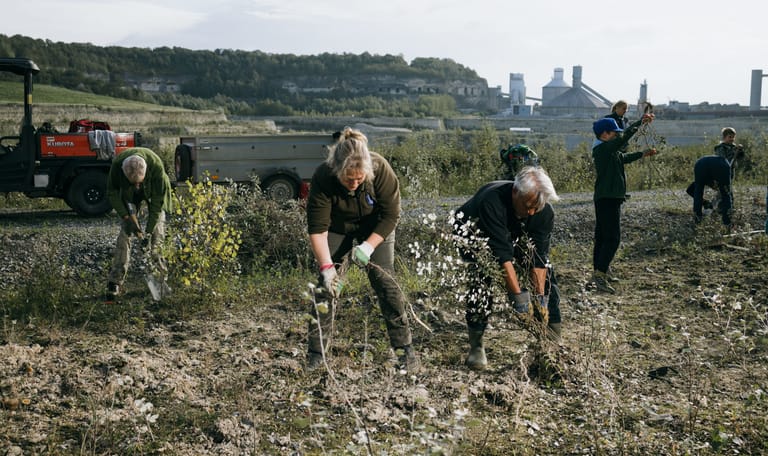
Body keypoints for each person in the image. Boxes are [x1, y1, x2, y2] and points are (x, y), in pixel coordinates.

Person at [305, 127, 418, 371]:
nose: (354, 184)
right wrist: (327, 268)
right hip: (337, 228)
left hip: (375, 226)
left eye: (359, 179)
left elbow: (391, 215)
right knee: (326, 288)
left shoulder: (380, 169)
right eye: (349, 179)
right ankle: (316, 354)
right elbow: (318, 229)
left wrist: (368, 246)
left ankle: (404, 351)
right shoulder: (324, 176)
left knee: (385, 281)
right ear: (338, 170)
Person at [453, 166, 561, 371]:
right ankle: (476, 345)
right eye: (528, 205)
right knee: (481, 278)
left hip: (514, 231)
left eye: (536, 208)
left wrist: (540, 302)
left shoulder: (543, 211)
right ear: (515, 192)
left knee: (548, 278)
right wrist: (519, 300)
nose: (531, 212)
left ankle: (552, 343)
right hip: (473, 230)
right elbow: (503, 257)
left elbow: (538, 259)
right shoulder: (492, 202)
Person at [591, 115, 656, 294]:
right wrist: (640, 123)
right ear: (604, 134)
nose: (617, 136)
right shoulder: (602, 150)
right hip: (607, 199)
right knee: (612, 239)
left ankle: (599, 269)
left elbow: (624, 158)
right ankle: (600, 275)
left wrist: (643, 153)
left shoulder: (609, 151)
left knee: (603, 237)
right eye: (614, 133)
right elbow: (624, 138)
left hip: (608, 198)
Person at [105, 147, 173, 302]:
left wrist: (147, 233)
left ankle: (160, 280)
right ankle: (115, 282)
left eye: (139, 183)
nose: (137, 186)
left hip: (154, 192)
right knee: (124, 236)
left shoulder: (156, 167)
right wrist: (126, 217)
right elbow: (112, 192)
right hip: (127, 197)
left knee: (157, 236)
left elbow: (156, 205)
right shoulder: (117, 166)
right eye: (133, 183)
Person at [685, 127, 745, 227]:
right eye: (730, 137)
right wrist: (733, 153)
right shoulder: (720, 147)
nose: (732, 139)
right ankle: (708, 208)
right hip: (718, 172)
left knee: (726, 195)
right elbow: (722, 160)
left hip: (728, 174)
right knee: (692, 189)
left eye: (733, 137)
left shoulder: (734, 147)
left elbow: (740, 159)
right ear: (725, 137)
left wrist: (740, 152)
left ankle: (722, 214)